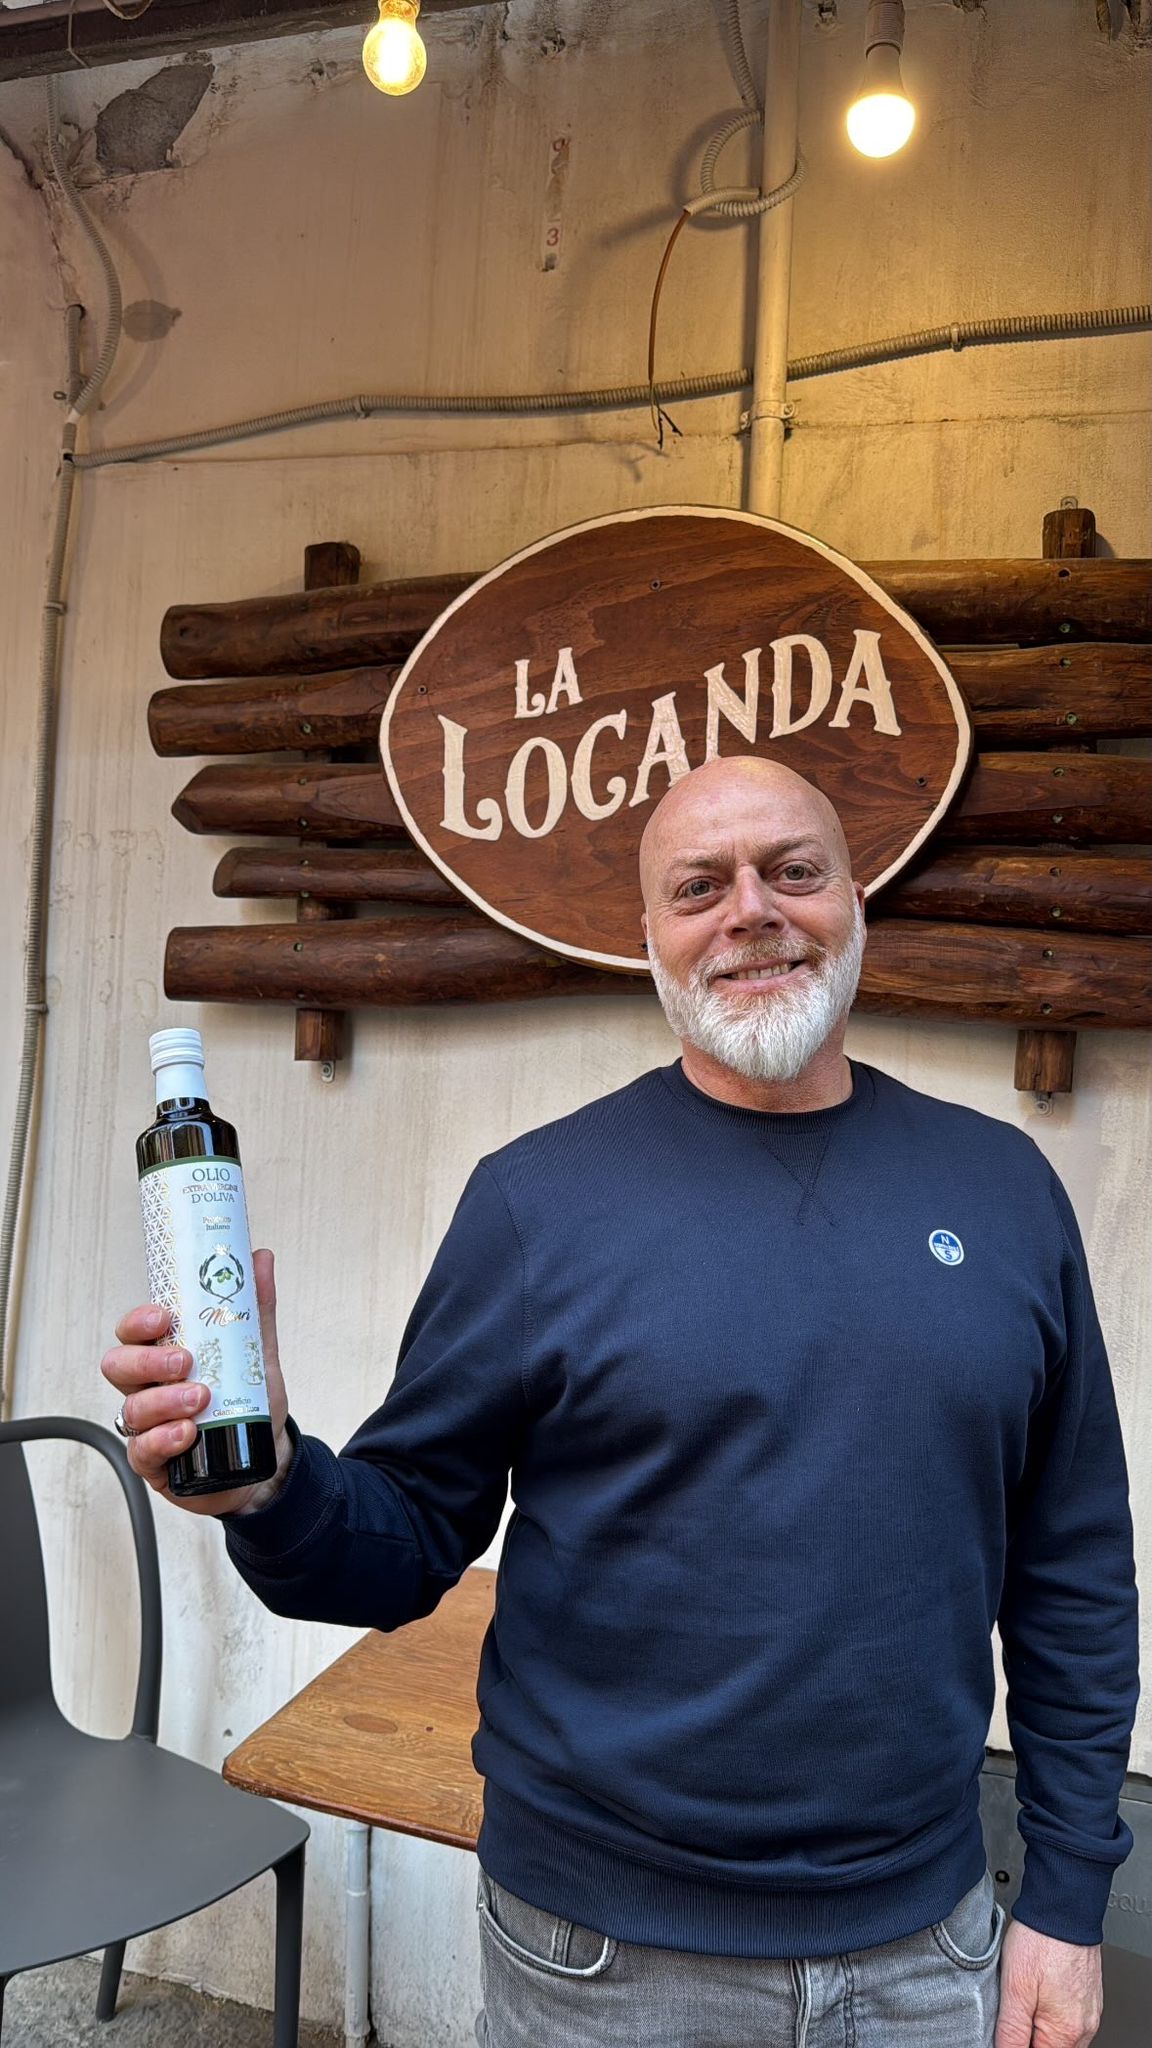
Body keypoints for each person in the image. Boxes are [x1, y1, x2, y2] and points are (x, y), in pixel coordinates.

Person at [103, 756, 1139, 2048]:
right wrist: (271, 1486)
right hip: (599, 1968)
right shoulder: (536, 1206)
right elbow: (405, 1540)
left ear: (855, 901)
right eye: (699, 887)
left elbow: (1073, 1570)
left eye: (793, 871)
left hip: (926, 1949)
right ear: (647, 935)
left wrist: (1070, 1898)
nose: (751, 910)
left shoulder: (1004, 1192)